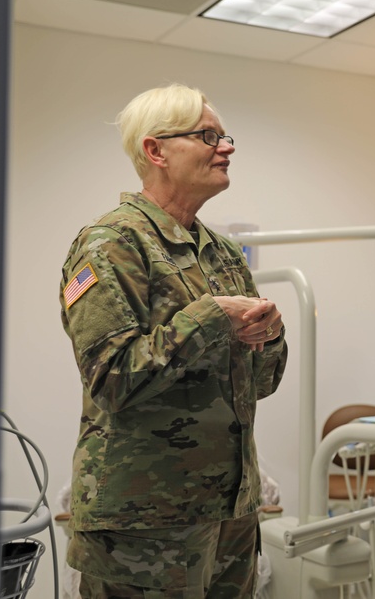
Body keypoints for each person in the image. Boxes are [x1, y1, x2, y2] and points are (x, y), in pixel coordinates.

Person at [59, 84, 289, 597]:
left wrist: (269, 334)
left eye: (224, 136)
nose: (226, 147)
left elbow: (263, 382)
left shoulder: (224, 254)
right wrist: (211, 317)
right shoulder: (111, 244)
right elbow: (111, 379)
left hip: (230, 512)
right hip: (145, 526)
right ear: (155, 150)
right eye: (208, 136)